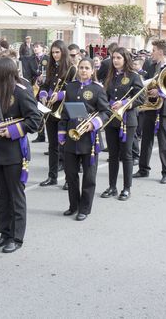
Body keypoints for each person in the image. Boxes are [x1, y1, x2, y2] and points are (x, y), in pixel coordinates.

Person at [0, 57, 41, 252]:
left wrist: (14, 130)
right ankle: (5, 233)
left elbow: (35, 120)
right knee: (2, 194)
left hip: (15, 150)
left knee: (15, 195)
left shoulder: (21, 92)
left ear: (2, 72)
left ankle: (17, 237)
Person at [59, 58, 109, 220]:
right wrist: (61, 132)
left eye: (87, 68)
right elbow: (65, 112)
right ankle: (73, 206)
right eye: (81, 67)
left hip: (90, 139)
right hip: (71, 137)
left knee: (89, 176)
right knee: (71, 174)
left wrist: (94, 123)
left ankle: (84, 209)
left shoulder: (98, 89)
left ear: (92, 70)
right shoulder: (71, 87)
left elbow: (105, 112)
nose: (83, 71)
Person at [101, 48, 144, 201]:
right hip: (112, 119)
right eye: (113, 58)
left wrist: (124, 103)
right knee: (113, 155)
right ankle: (112, 187)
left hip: (128, 120)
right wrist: (109, 103)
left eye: (119, 57)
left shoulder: (134, 76)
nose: (115, 60)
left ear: (125, 59)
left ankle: (126, 188)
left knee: (126, 155)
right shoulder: (110, 76)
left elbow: (141, 98)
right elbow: (104, 96)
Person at [132, 40, 166, 184]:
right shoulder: (151, 66)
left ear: (161, 52)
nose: (152, 53)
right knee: (146, 139)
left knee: (163, 140)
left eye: (154, 50)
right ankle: (143, 169)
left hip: (164, 108)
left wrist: (160, 92)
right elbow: (147, 83)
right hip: (150, 107)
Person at [38, 40, 76, 187]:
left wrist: (59, 95)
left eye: (57, 52)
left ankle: (68, 179)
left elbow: (74, 90)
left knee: (65, 146)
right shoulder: (51, 68)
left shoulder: (72, 69)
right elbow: (46, 84)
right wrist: (43, 93)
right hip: (51, 110)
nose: (54, 55)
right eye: (53, 52)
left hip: (64, 111)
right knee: (52, 146)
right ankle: (52, 176)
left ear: (63, 52)